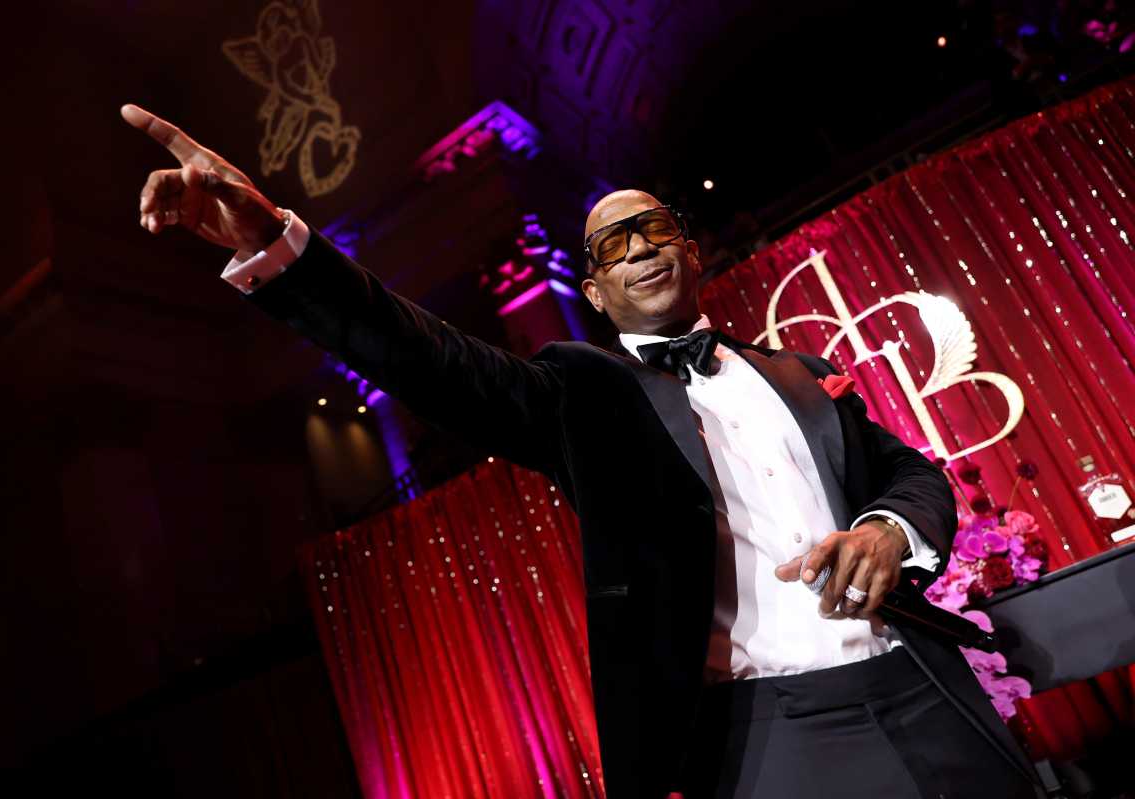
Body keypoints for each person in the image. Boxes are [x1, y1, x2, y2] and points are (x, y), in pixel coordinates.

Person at [122, 103, 1044, 798]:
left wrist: (888, 528)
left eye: (653, 228)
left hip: (924, 682)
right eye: (611, 245)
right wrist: (277, 245)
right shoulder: (583, 393)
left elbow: (912, 474)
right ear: (596, 294)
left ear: (691, 249)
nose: (638, 248)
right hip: (771, 731)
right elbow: (424, 356)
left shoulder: (800, 373)